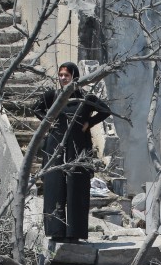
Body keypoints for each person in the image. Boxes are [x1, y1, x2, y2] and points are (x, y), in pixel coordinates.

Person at [34, 62, 111, 241]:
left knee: (77, 188)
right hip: (55, 147)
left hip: (78, 147)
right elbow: (36, 108)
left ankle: (75, 233)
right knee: (54, 187)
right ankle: (55, 232)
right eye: (60, 75)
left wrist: (89, 123)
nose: (63, 78)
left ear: (74, 77)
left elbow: (105, 111)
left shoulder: (85, 97)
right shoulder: (54, 96)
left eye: (66, 75)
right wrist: (48, 122)